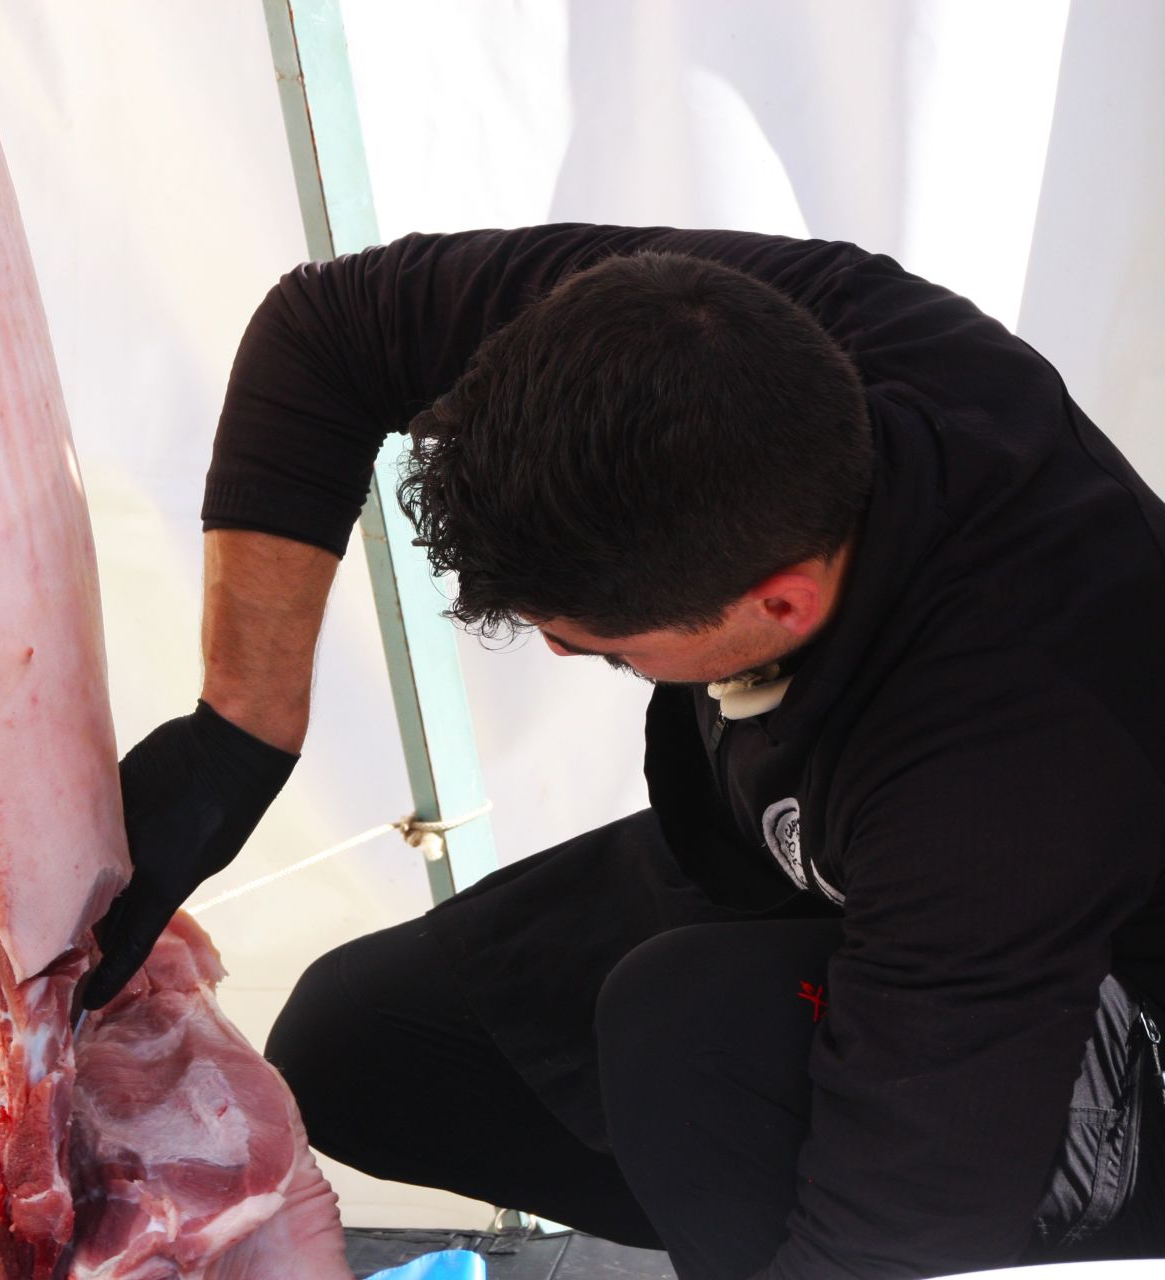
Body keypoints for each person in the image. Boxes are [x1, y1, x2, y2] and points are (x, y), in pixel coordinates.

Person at [78, 225, 1165, 1280]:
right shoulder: (746, 331)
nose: (557, 648)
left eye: (602, 645)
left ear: (779, 599)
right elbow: (328, 328)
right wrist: (239, 730)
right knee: (356, 1043)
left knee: (687, 1036)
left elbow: (896, 1226)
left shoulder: (1008, 768)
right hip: (801, 868)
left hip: (1094, 1016)